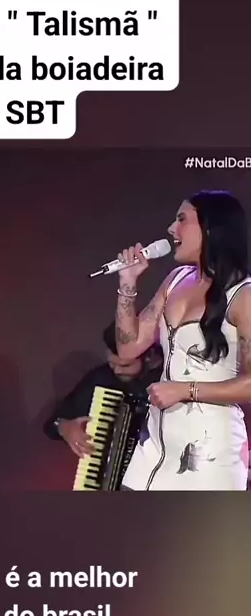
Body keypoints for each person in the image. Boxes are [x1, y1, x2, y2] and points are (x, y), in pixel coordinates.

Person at [114, 189, 251, 490]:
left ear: (211, 229)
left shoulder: (243, 295)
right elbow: (128, 348)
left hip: (209, 455)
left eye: (181, 220)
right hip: (154, 447)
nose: (171, 229)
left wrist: (185, 390)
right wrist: (127, 283)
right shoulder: (175, 280)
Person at [44, 321, 163, 458]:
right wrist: (64, 428)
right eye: (112, 363)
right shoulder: (103, 378)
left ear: (149, 357)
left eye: (125, 366)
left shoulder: (169, 376)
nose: (117, 371)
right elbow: (54, 423)